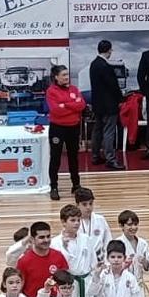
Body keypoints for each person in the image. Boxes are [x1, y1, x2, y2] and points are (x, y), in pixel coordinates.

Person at [46, 65, 85, 200]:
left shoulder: (74, 89)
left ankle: (76, 185)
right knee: (55, 158)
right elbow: (56, 110)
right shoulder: (51, 91)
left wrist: (65, 104)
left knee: (73, 157)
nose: (66, 77)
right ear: (56, 77)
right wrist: (72, 104)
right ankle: (54, 187)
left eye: (67, 74)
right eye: (63, 75)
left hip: (73, 127)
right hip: (58, 128)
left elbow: (81, 105)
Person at [88, 40, 124, 170]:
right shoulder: (105, 66)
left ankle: (95, 156)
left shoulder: (93, 64)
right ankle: (110, 159)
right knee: (109, 131)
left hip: (97, 104)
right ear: (109, 50)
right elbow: (113, 86)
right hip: (109, 105)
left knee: (97, 130)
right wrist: (120, 99)